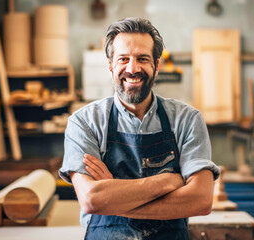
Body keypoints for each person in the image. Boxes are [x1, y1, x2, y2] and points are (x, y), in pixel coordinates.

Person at [59, 17, 220, 239]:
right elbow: (92, 200)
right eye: (123, 59)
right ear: (110, 66)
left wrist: (113, 194)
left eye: (142, 58)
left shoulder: (187, 119)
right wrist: (167, 181)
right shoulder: (85, 122)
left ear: (157, 65)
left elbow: (200, 201)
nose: (132, 68)